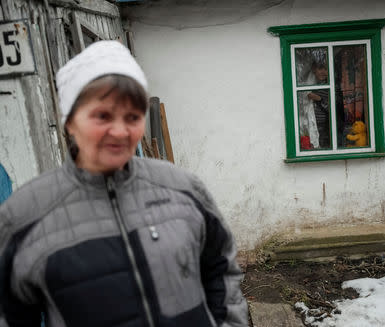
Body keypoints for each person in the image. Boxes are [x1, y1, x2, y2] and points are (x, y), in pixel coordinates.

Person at [0, 41, 248, 327]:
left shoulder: (183, 189)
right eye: (102, 116)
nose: (119, 131)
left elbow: (220, 269)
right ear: (69, 121)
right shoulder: (24, 218)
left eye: (133, 117)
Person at [307, 60, 331, 149]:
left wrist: (319, 99)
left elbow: (332, 107)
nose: (323, 72)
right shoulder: (310, 84)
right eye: (320, 68)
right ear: (314, 70)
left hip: (323, 124)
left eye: (326, 69)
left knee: (322, 147)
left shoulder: (329, 86)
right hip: (310, 123)